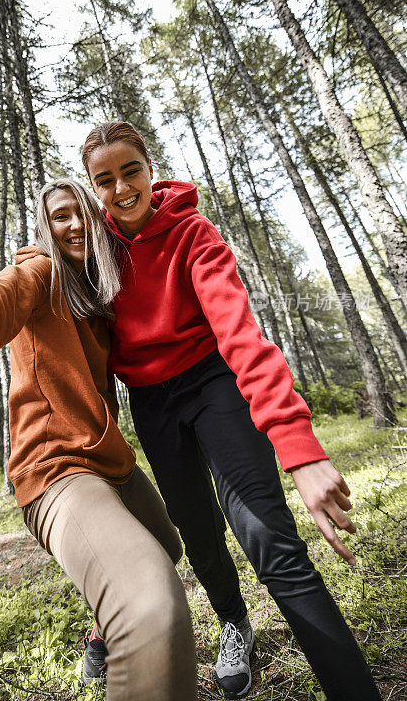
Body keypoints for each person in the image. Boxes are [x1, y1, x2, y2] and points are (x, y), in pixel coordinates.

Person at [82, 120, 383, 701]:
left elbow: (240, 334)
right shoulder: (93, 251)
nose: (121, 189)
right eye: (105, 180)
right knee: (198, 531)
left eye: (130, 171)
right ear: (93, 188)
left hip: (212, 380)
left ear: (149, 169)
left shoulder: (193, 233)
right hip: (151, 401)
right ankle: (232, 623)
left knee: (269, 539)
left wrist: (298, 449)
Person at [0, 178, 198, 701]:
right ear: (45, 230)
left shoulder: (101, 298)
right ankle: (117, 633)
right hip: (56, 470)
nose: (73, 226)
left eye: (81, 215)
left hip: (111, 462)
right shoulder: (41, 274)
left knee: (166, 546)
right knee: (149, 605)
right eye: (59, 217)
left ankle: (97, 635)